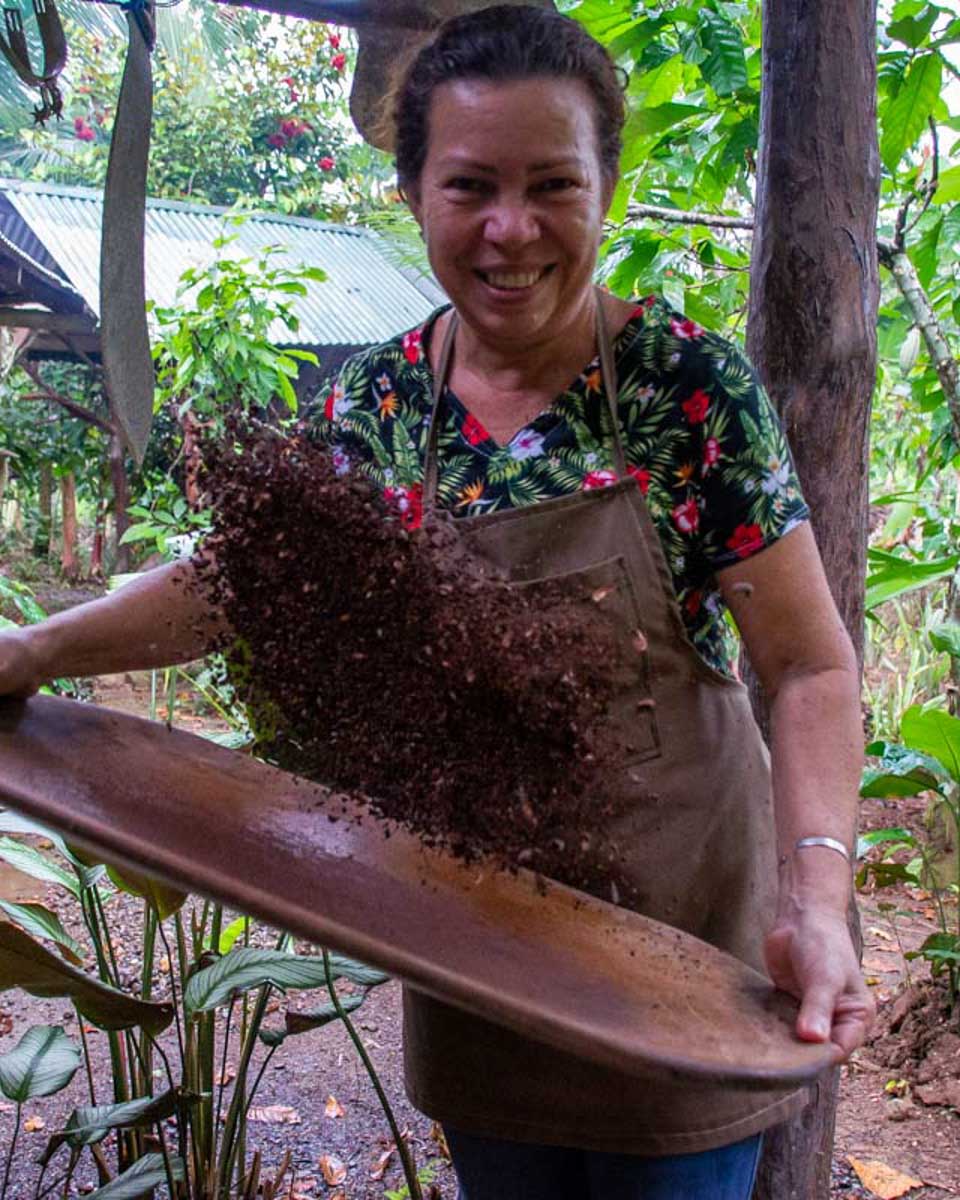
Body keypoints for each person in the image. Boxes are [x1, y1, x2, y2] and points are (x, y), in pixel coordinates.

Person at [0, 7, 873, 1198]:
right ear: (413, 192)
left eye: (552, 184)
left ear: (606, 185)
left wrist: (818, 894)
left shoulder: (684, 387)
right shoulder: (382, 404)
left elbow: (811, 668)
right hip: (477, 958)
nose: (511, 230)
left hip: (684, 971)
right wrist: (35, 649)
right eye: (470, 186)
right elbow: (230, 588)